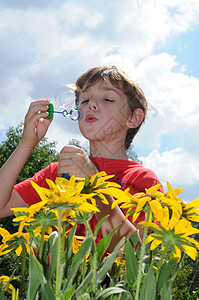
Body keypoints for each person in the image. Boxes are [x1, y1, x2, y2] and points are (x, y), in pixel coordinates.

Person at [0, 65, 163, 251]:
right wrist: (26, 144)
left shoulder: (141, 180)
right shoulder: (58, 172)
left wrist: (93, 181)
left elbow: (135, 252)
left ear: (133, 118)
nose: (91, 105)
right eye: (84, 100)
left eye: (108, 98)